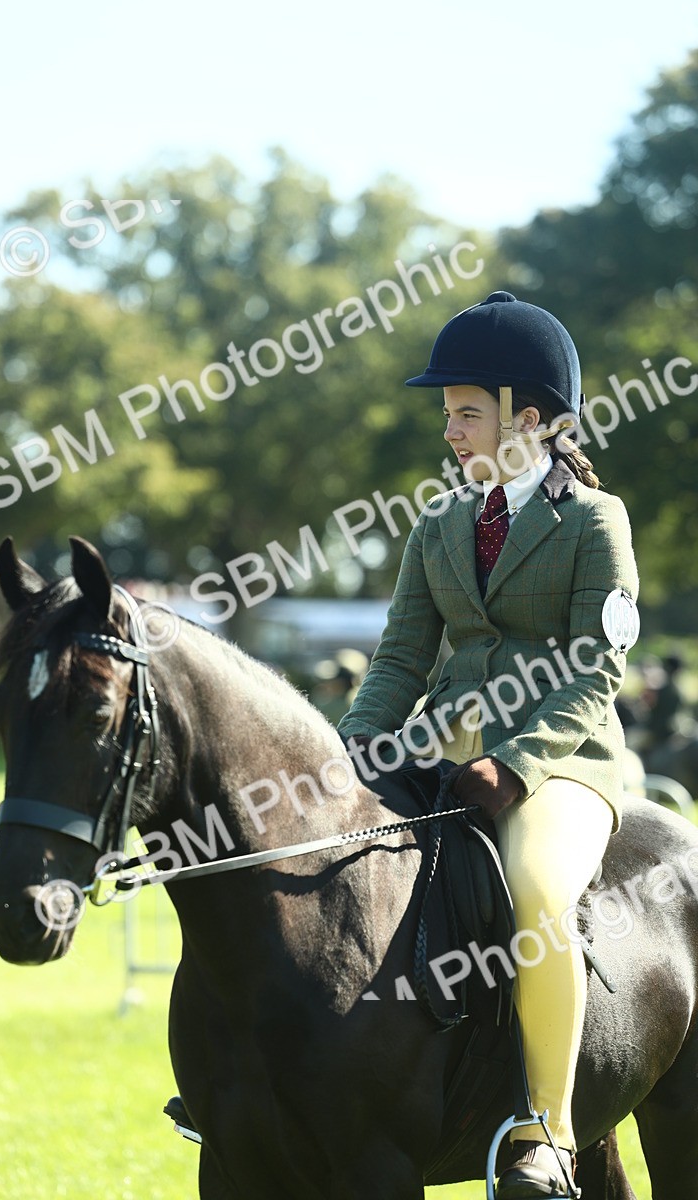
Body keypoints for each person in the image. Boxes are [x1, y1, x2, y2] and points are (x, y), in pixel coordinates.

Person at [338, 291, 639, 1199]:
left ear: (531, 419)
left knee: (540, 893)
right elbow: (399, 661)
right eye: (448, 416)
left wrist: (516, 762)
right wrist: (348, 750)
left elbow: (597, 670)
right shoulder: (436, 528)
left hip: (563, 765)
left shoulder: (595, 521)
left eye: (467, 413)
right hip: (444, 756)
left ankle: (546, 1127)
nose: (452, 433)